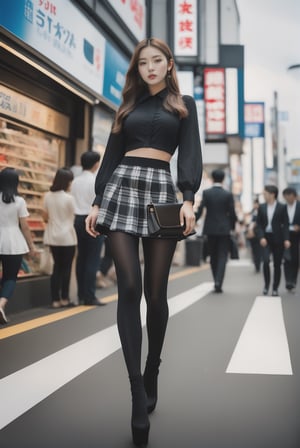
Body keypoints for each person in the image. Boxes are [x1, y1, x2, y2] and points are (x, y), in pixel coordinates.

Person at [85, 37, 202, 446]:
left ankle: (153, 365)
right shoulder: (127, 107)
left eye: (157, 61)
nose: (150, 68)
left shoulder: (184, 104)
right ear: (137, 68)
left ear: (169, 65)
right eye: (143, 63)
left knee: (155, 293)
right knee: (128, 287)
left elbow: (190, 154)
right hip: (121, 189)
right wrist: (98, 202)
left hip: (163, 194)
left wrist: (189, 199)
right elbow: (112, 153)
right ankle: (137, 390)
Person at [0, 167, 36, 324]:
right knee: (10, 277)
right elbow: (25, 227)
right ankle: (1, 304)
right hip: (13, 241)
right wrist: (32, 246)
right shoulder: (19, 201)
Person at [71, 151, 106, 306]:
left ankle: (80, 295)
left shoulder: (75, 181)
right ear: (96, 164)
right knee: (93, 258)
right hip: (93, 219)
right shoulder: (96, 181)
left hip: (77, 220)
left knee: (81, 258)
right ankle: (89, 296)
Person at [195, 169, 237, 293]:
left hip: (210, 228)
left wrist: (194, 220)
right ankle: (219, 281)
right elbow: (232, 213)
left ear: (213, 179)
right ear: (223, 179)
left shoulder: (206, 193)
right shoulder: (228, 194)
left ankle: (216, 280)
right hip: (224, 229)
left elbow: (201, 210)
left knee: (213, 255)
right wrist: (232, 227)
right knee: (223, 256)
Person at [43, 168, 77, 308]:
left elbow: (45, 217)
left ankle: (55, 300)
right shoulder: (69, 198)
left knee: (56, 268)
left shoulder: (47, 196)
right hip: (68, 237)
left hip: (53, 236)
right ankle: (65, 298)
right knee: (66, 268)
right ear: (67, 182)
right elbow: (73, 216)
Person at [256, 185, 290, 296]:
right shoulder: (261, 207)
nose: (264, 196)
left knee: (277, 264)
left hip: (278, 238)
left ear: (272, 194)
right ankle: (266, 286)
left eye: (265, 194)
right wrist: (261, 237)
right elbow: (259, 224)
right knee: (265, 261)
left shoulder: (282, 207)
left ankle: (275, 288)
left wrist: (286, 239)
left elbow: (285, 224)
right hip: (266, 238)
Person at [282, 187, 300, 292]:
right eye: (285, 197)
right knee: (286, 258)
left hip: (297, 235)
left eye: (289, 196)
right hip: (286, 235)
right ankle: (288, 281)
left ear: (294, 196)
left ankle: (293, 280)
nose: (287, 199)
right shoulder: (283, 208)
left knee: (295, 258)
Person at [246, 198, 262, 273]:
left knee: (258, 250)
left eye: (256, 203)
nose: (255, 205)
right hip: (251, 233)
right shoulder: (252, 212)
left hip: (257, 233)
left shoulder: (261, 211)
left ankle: (257, 264)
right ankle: (256, 264)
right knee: (254, 250)